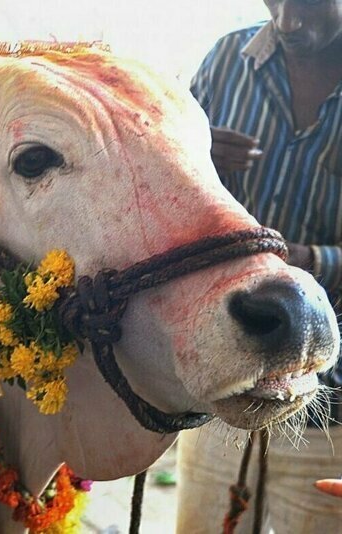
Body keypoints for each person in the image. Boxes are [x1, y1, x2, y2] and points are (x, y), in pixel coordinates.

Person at [176, 0, 342, 531]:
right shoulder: (227, 60)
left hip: (329, 417)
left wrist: (311, 261)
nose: (289, 20)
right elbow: (164, 194)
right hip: (222, 391)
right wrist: (194, 156)